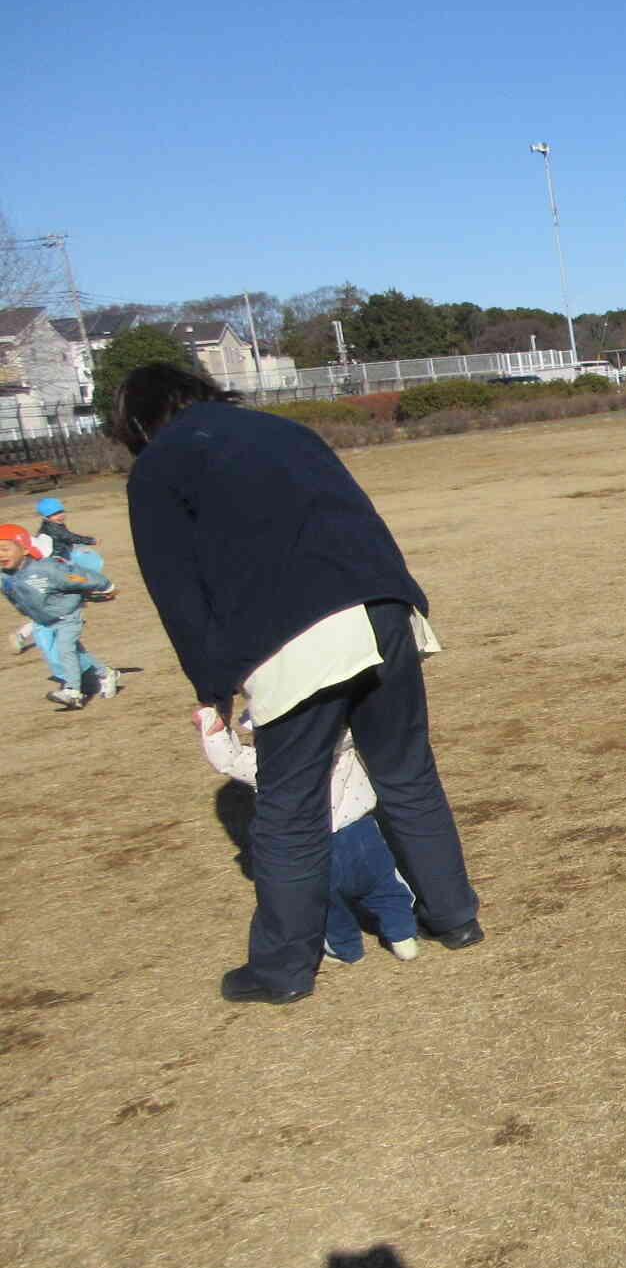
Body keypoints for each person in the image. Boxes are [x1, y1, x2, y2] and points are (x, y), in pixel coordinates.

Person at [116, 362, 483, 1004]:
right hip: (385, 607)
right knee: (407, 772)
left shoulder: (159, 463)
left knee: (289, 803)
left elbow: (175, 589)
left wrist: (212, 686)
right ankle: (455, 918)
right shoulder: (284, 431)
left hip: (297, 632)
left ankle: (282, 969)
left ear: (142, 420)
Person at [194, 705, 421, 968]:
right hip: (363, 834)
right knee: (387, 887)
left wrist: (212, 723)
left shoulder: (269, 769)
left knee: (325, 904)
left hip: (314, 845)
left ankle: (345, 948)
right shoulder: (343, 744)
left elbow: (229, 761)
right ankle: (403, 936)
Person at [0, 522, 115, 708]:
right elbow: (14, 596)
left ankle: (73, 692)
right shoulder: (4, 576)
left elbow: (78, 576)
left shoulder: (46, 569)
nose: (1, 554)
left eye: (5, 548)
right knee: (72, 653)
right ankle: (106, 673)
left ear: (25, 549)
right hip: (44, 620)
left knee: (65, 649)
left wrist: (105, 586)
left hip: (68, 615)